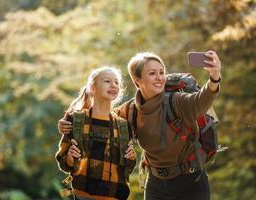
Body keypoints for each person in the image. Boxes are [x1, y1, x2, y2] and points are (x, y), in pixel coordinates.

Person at [58, 51, 221, 200]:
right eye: (152, 73)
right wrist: (69, 123)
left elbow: (202, 99)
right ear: (137, 80)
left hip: (191, 182)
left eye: (161, 72)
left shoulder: (177, 102)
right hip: (155, 184)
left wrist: (214, 77)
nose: (160, 77)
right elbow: (100, 119)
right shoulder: (129, 111)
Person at [55, 66, 136, 200]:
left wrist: (131, 157)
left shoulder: (124, 126)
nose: (113, 85)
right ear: (92, 87)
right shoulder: (75, 120)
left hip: (116, 195)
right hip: (84, 195)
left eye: (116, 82)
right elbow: (63, 162)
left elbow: (127, 168)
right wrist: (70, 158)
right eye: (107, 81)